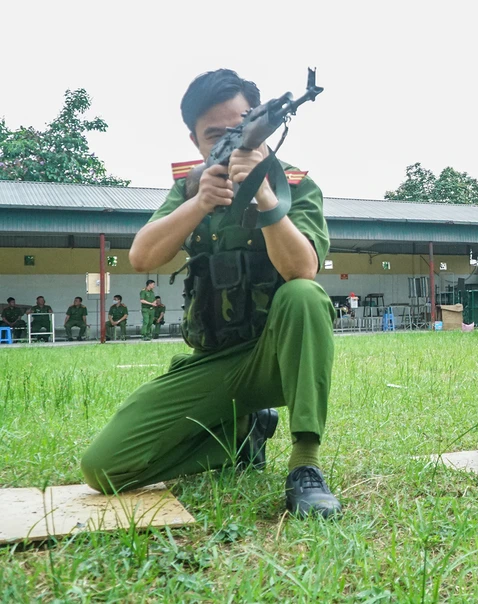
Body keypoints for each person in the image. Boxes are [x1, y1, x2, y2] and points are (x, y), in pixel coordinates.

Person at [81, 68, 339, 518]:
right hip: (214, 363)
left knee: (304, 295)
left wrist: (264, 194)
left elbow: (303, 269)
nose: (231, 140)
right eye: (214, 134)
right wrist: (199, 203)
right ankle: (240, 436)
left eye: (240, 127)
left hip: (278, 358)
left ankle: (305, 464)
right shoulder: (191, 186)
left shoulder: (294, 185)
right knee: (103, 467)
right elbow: (142, 256)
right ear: (195, 140)